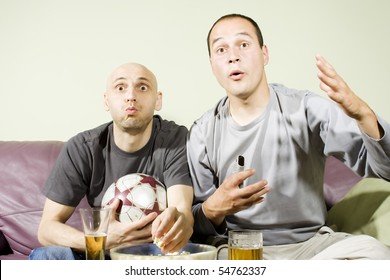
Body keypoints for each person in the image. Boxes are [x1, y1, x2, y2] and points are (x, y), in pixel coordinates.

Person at [187, 13, 390, 259]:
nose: (233, 56)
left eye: (243, 44)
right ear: (212, 65)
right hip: (241, 250)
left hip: (311, 248)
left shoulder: (306, 109)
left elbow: (385, 169)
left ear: (264, 54)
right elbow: (194, 227)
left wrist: (363, 115)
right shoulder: (202, 132)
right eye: (221, 49)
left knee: (375, 254)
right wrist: (212, 209)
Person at [29, 62, 194, 260]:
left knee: (184, 254)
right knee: (46, 256)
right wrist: (102, 240)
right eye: (120, 87)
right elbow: (46, 230)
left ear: (158, 100)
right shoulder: (83, 147)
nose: (131, 96)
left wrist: (178, 222)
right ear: (106, 101)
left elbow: (182, 210)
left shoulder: (175, 139)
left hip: (155, 251)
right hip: (103, 252)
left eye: (142, 87)